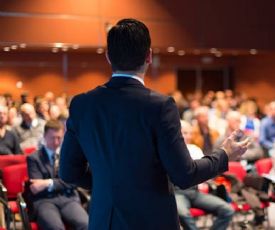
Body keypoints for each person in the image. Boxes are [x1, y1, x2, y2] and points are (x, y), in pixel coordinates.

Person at [59, 18, 248, 230]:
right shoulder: (160, 106)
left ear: (108, 57)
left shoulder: (82, 104)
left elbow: (68, 172)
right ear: (149, 55)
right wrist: (224, 154)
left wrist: (109, 184)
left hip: (105, 220)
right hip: (151, 221)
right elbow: (184, 175)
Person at [27, 120, 88, 230]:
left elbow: (73, 183)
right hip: (45, 201)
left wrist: (48, 183)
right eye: (52, 138)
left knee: (86, 224)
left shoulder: (69, 155)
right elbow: (36, 188)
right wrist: (62, 183)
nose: (56, 142)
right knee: (55, 228)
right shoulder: (33, 158)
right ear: (44, 136)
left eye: (59, 138)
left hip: (68, 198)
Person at [176, 121, 234, 230]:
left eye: (190, 133)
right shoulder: (172, 151)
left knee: (227, 210)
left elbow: (206, 170)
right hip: (178, 192)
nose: (188, 136)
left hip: (195, 191)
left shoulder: (195, 149)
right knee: (183, 214)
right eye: (184, 133)